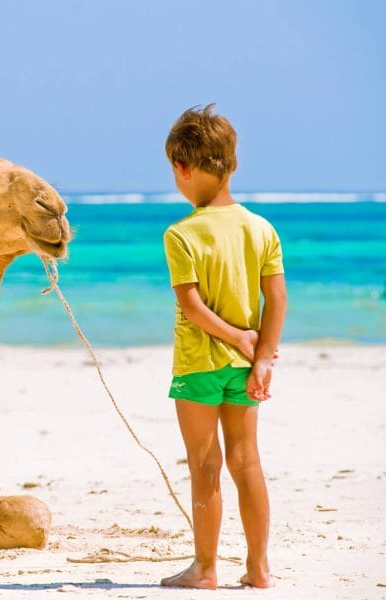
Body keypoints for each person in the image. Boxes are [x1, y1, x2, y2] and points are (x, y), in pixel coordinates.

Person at [159, 105, 287, 589]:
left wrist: (235, 337)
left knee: (205, 464)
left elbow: (191, 307)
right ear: (232, 164)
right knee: (247, 461)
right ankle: (259, 568)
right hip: (246, 368)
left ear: (182, 168)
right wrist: (262, 357)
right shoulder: (261, 229)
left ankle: (206, 569)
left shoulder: (181, 234)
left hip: (198, 367)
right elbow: (275, 298)